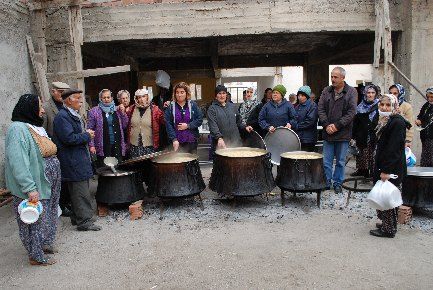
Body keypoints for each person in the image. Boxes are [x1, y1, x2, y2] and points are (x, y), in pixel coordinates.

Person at [5, 94, 61, 266]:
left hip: (47, 179)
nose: (43, 110)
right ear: (29, 108)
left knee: (48, 213)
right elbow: (18, 161)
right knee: (33, 219)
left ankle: (44, 244)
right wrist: (29, 187)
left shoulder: (34, 126)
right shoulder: (17, 129)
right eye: (39, 106)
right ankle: (35, 255)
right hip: (34, 183)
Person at [53, 89, 101, 231]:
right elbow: (68, 138)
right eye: (78, 98)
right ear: (68, 100)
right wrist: (86, 135)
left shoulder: (72, 114)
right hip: (73, 161)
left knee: (76, 192)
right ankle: (85, 222)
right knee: (81, 193)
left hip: (78, 159)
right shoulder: (62, 117)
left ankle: (77, 218)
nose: (81, 101)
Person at [370, 94, 409, 238]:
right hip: (384, 164)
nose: (384, 107)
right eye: (382, 104)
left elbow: (393, 149)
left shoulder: (397, 122)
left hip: (391, 167)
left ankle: (389, 229)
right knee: (383, 196)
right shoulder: (384, 119)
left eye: (388, 105)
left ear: (394, 106)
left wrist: (386, 171)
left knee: (388, 198)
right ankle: (387, 223)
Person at [318, 66, 357, 194]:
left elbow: (351, 112)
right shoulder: (326, 91)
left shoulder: (351, 92)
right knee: (326, 161)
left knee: (340, 161)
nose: (333, 79)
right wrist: (326, 124)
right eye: (332, 76)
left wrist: (337, 126)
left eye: (335, 77)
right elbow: (321, 109)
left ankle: (338, 183)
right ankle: (327, 182)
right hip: (328, 132)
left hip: (343, 133)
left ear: (343, 78)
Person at [42, 82, 72, 217]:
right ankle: (60, 205)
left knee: (68, 177)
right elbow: (42, 131)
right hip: (55, 150)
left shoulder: (67, 105)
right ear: (53, 91)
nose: (62, 94)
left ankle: (67, 201)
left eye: (65, 92)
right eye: (60, 92)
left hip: (69, 148)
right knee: (58, 179)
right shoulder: (46, 108)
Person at [207, 85, 253, 156]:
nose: (222, 96)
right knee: (223, 165)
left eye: (223, 93)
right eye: (219, 93)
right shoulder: (212, 109)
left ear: (226, 95)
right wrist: (219, 138)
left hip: (236, 142)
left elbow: (239, 121)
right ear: (216, 96)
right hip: (222, 144)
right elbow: (213, 125)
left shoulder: (232, 106)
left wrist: (245, 127)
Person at [87, 89, 128, 167]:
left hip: (117, 144)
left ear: (112, 98)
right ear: (100, 99)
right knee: (105, 169)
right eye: (104, 97)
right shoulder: (94, 111)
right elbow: (90, 129)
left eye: (108, 97)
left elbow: (125, 125)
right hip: (103, 146)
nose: (106, 99)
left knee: (118, 168)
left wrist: (123, 113)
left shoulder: (117, 110)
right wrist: (91, 145)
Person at [165, 82, 203, 154]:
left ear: (186, 93)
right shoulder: (170, 107)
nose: (179, 95)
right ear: (174, 94)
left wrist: (188, 125)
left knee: (191, 161)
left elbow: (199, 119)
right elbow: (168, 124)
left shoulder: (193, 105)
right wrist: (174, 139)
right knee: (178, 162)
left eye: (182, 92)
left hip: (191, 141)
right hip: (176, 142)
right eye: (177, 92)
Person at [351, 84, 380, 177]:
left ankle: (373, 172)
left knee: (373, 154)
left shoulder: (380, 105)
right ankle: (362, 170)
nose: (370, 95)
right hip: (362, 134)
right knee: (362, 153)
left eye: (372, 93)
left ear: (376, 94)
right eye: (368, 92)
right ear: (365, 93)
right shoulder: (360, 107)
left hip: (374, 134)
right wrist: (353, 136)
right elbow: (355, 123)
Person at [127, 89, 164, 158]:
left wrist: (168, 107)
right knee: (136, 166)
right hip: (134, 146)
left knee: (148, 166)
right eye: (139, 97)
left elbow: (164, 121)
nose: (141, 99)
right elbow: (125, 122)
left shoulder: (155, 109)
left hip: (149, 146)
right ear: (136, 99)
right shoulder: (131, 109)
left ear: (147, 97)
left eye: (143, 96)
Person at [389, 83, 414, 148]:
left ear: (400, 93)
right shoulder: (386, 104)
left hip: (401, 138)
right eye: (390, 93)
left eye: (395, 93)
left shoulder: (406, 106)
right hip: (388, 137)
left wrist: (408, 140)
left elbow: (410, 124)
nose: (392, 95)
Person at [294, 85, 318, 152]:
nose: (300, 97)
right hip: (299, 137)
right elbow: (293, 118)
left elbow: (310, 121)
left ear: (307, 96)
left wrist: (297, 126)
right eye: (298, 95)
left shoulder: (313, 106)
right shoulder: (297, 107)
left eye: (302, 95)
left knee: (306, 158)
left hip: (308, 139)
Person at [415, 87, 433, 166]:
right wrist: (419, 121)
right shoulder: (426, 105)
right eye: (428, 97)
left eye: (432, 97)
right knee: (426, 158)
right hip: (425, 136)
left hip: (432, 136)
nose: (429, 99)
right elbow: (420, 116)